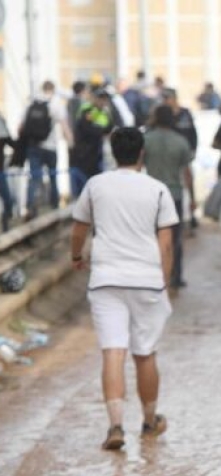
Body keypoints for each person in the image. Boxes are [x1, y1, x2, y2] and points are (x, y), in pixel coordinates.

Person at [70, 127, 179, 450]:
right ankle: (149, 422)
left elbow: (79, 230)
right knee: (144, 354)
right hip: (146, 279)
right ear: (141, 153)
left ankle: (115, 427)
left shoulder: (95, 185)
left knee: (112, 351)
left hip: (105, 279)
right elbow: (167, 243)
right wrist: (164, 280)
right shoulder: (157, 190)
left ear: (112, 152)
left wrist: (77, 256)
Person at [144, 105, 194, 291]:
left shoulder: (147, 140)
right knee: (174, 238)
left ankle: (154, 275)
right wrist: (193, 197)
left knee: (151, 237)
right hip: (174, 196)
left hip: (150, 196)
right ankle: (175, 275)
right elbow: (187, 174)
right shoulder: (180, 141)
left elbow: (138, 167)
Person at [20, 81, 72, 217]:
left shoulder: (32, 103)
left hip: (33, 146)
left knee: (34, 177)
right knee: (53, 176)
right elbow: (64, 125)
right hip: (51, 147)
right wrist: (71, 142)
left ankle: (30, 207)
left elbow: (20, 127)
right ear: (53, 90)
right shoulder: (56, 104)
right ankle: (54, 206)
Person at [161, 88, 199, 231]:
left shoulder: (185, 113)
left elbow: (193, 133)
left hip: (185, 156)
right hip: (169, 158)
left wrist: (193, 150)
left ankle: (191, 216)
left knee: (188, 183)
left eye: (167, 98)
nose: (166, 101)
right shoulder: (165, 115)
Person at [71, 88, 115, 197]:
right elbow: (88, 129)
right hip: (85, 153)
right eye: (101, 99)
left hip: (97, 153)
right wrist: (101, 131)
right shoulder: (87, 110)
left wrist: (101, 130)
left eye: (105, 99)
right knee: (85, 183)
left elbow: (109, 127)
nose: (103, 102)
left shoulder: (105, 113)